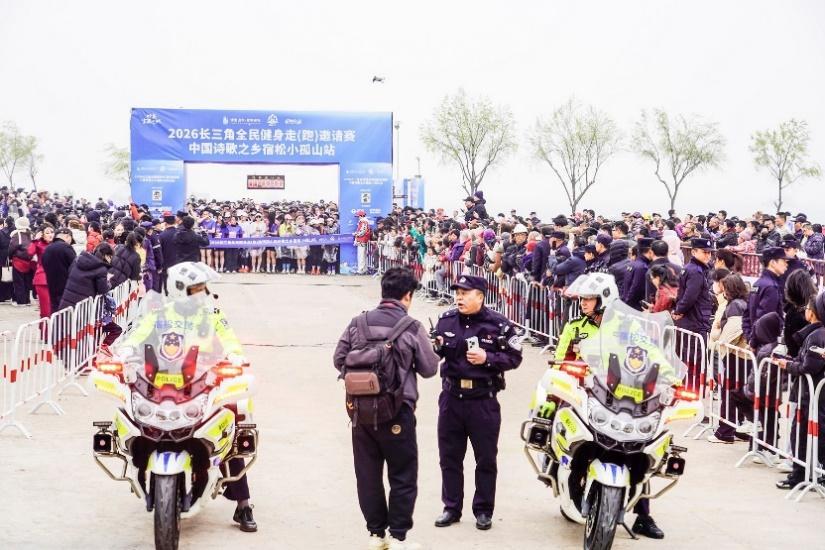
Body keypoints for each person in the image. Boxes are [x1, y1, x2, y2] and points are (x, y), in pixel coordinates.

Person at [115, 262, 257, 531]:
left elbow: (229, 338)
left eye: (203, 287)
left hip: (203, 380)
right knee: (136, 416)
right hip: (162, 381)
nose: (203, 293)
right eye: (197, 288)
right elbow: (138, 334)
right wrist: (125, 350)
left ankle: (243, 504)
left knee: (230, 426)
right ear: (179, 289)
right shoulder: (159, 313)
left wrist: (236, 356)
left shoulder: (212, 312)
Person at [534, 272, 665, 539]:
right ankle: (551, 461)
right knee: (550, 411)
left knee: (641, 445)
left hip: (621, 395)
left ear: (604, 299)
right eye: (582, 298)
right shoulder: (574, 327)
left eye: (589, 298)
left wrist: (667, 375)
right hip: (584, 391)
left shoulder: (628, 327)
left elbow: (652, 355)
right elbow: (559, 359)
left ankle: (643, 516)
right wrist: (558, 380)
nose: (583, 303)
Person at [333, 267, 440, 550]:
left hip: (360, 411)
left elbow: (339, 359)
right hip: (398, 411)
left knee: (367, 475)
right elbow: (429, 369)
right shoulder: (411, 327)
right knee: (402, 474)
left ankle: (376, 535)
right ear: (408, 296)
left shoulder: (358, 323)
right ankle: (398, 537)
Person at [432, 275, 523, 531]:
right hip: (451, 398)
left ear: (480, 296)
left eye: (465, 293)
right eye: (457, 293)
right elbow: (437, 352)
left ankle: (483, 510)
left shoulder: (499, 325)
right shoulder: (446, 320)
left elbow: (515, 357)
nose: (459, 297)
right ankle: (451, 507)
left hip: (483, 400)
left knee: (485, 459)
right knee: (449, 457)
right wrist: (435, 348)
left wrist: (488, 358)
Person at [773, 292, 825, 490]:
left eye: (808, 308)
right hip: (811, 394)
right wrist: (790, 362)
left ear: (814, 312)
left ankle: (800, 476)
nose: (805, 312)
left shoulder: (816, 336)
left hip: (810, 395)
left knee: (803, 436)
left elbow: (808, 367)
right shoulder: (814, 334)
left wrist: (788, 365)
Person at [742, 247, 788, 347]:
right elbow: (764, 319)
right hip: (765, 343)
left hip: (758, 342)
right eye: (783, 261)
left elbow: (747, 315)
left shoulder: (757, 284)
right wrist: (753, 342)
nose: (786, 264)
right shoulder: (771, 287)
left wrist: (749, 338)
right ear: (773, 263)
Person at [41, 227, 77, 311]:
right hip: (66, 285)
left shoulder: (47, 248)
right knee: (66, 311)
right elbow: (75, 266)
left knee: (55, 309)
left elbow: (43, 263)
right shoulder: (67, 248)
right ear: (67, 236)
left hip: (51, 284)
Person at [28, 223, 55, 318]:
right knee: (46, 310)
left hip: (56, 278)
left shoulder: (56, 244)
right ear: (42, 234)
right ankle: (45, 327)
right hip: (42, 278)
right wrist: (35, 240)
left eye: (52, 232)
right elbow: (29, 253)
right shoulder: (38, 244)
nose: (50, 234)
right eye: (47, 233)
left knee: (55, 309)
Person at [622, 237, 655, 310]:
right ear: (650, 251)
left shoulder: (632, 263)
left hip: (627, 304)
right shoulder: (642, 267)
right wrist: (627, 305)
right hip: (635, 307)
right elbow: (635, 289)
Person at [8, 216, 34, 307]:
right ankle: (27, 300)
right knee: (27, 282)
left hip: (18, 261)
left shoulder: (17, 235)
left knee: (19, 282)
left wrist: (10, 257)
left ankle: (21, 301)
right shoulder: (30, 234)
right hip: (29, 261)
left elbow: (11, 248)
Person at [354, 210, 372, 275]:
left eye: (358, 216)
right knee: (363, 255)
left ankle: (361, 270)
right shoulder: (364, 221)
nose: (358, 217)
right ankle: (364, 269)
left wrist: (357, 234)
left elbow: (363, 231)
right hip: (363, 240)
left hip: (362, 240)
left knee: (361, 256)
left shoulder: (363, 221)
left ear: (361, 216)